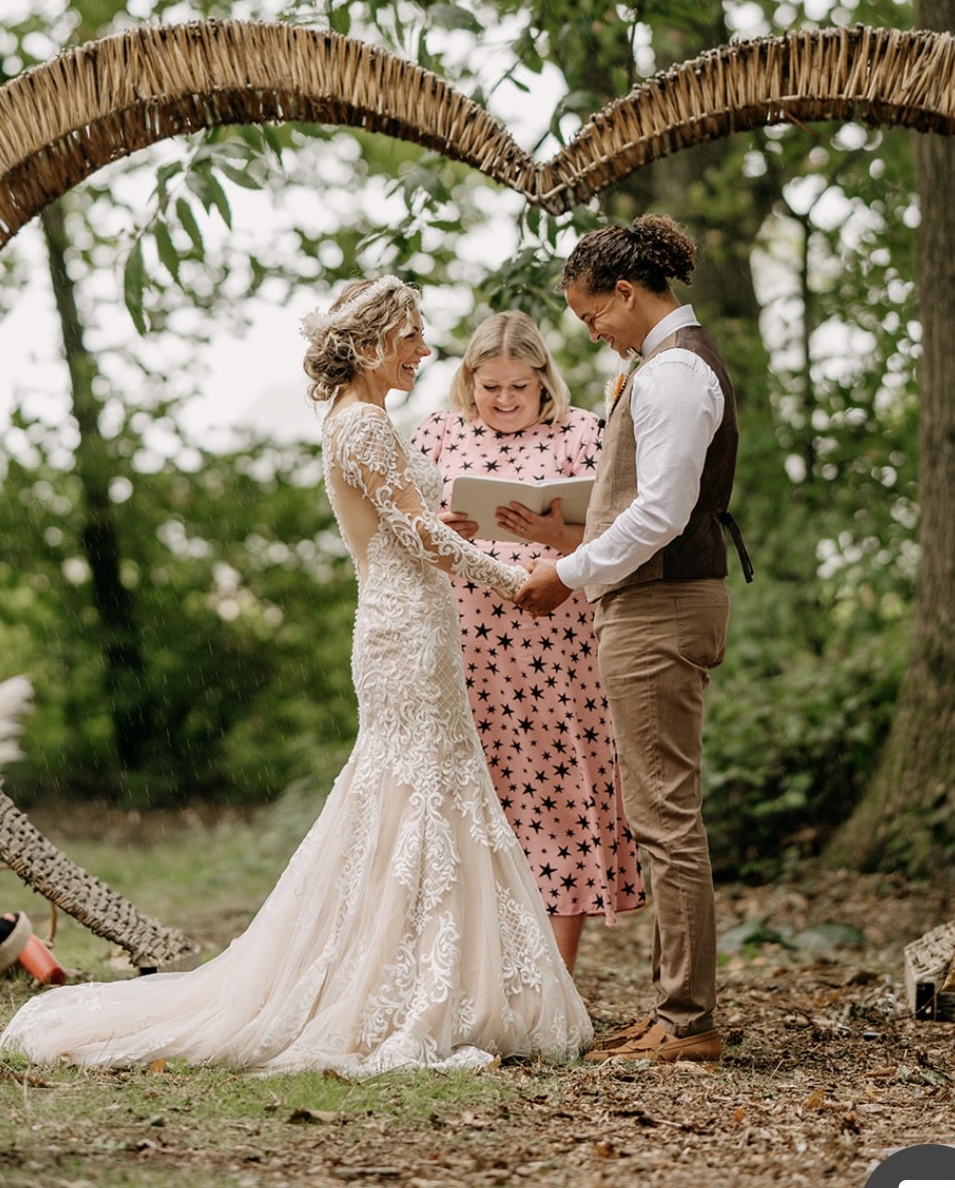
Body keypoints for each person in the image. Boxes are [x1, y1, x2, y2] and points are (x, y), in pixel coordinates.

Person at [0, 275, 592, 1074]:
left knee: (415, 793)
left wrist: (448, 529)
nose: (423, 351)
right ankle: (402, 985)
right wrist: (510, 579)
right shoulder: (367, 427)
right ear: (375, 340)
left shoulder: (362, 422)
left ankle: (429, 976)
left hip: (409, 622)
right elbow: (413, 538)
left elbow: (407, 524)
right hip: (404, 628)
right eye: (413, 335)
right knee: (414, 792)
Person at [518, 215, 752, 1065]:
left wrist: (568, 572)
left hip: (659, 610)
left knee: (665, 818)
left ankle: (687, 1021)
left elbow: (661, 512)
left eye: (592, 316)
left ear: (625, 291)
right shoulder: (656, 369)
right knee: (659, 813)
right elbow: (640, 496)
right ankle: (674, 1012)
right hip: (650, 604)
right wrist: (560, 525)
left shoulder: (674, 374)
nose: (592, 331)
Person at [412, 311, 644, 975]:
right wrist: (438, 526)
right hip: (465, 653)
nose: (506, 400)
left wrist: (560, 538)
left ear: (544, 381)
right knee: (473, 806)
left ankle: (553, 985)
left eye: (519, 386)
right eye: (491, 387)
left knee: (558, 800)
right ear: (468, 381)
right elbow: (401, 537)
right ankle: (469, 973)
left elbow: (621, 536)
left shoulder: (583, 433)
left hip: (559, 655)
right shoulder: (436, 433)